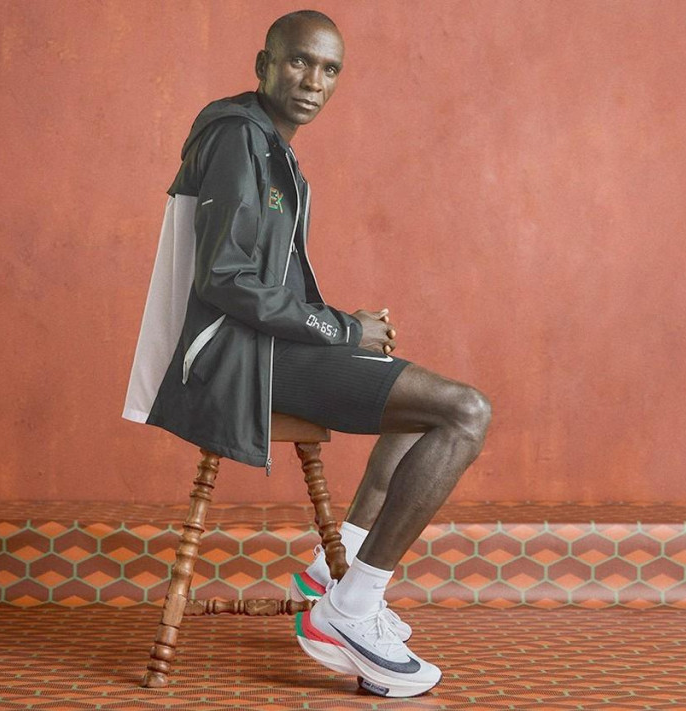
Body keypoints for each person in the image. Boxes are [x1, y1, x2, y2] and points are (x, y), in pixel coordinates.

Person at [123, 10, 491, 698]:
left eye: (329, 70)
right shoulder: (238, 136)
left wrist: (349, 331)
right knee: (465, 412)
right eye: (299, 62)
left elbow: (261, 285)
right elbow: (224, 279)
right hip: (234, 360)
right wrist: (344, 330)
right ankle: (350, 609)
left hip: (259, 348)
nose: (313, 81)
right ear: (264, 64)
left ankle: (336, 568)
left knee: (420, 399)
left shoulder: (268, 146)